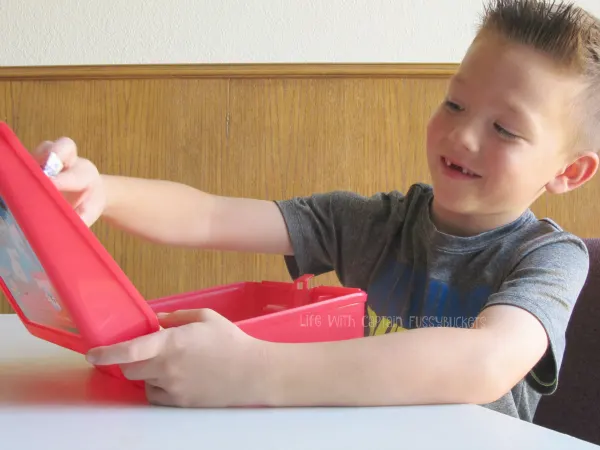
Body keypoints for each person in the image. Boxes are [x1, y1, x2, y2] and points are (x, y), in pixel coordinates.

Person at [33, 0, 600, 421]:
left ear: (567, 172)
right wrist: (102, 189)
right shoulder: (373, 222)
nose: (463, 135)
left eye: (504, 128)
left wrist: (249, 371)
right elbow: (210, 216)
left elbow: (485, 363)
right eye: (453, 103)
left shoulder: (551, 258)